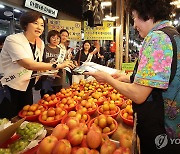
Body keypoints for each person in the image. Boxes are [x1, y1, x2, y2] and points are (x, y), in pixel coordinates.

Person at [85, 0, 180, 153]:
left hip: (161, 131)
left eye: (134, 17)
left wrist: (108, 79)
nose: (134, 24)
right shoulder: (172, 34)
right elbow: (161, 74)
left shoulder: (157, 38)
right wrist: (128, 77)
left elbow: (138, 95)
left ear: (147, 14)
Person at [0, 11, 75, 119]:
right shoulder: (13, 40)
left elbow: (38, 64)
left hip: (27, 87)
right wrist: (57, 66)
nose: (39, 27)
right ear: (25, 24)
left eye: (42, 25)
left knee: (25, 118)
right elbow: (28, 64)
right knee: (8, 120)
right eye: (35, 23)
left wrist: (48, 72)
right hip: (9, 87)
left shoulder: (40, 43)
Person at [40, 30, 63, 97]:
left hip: (58, 77)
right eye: (53, 37)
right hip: (46, 77)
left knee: (58, 97)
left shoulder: (61, 50)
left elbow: (63, 63)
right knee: (46, 98)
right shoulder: (44, 48)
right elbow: (40, 61)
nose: (55, 40)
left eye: (58, 38)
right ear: (49, 38)